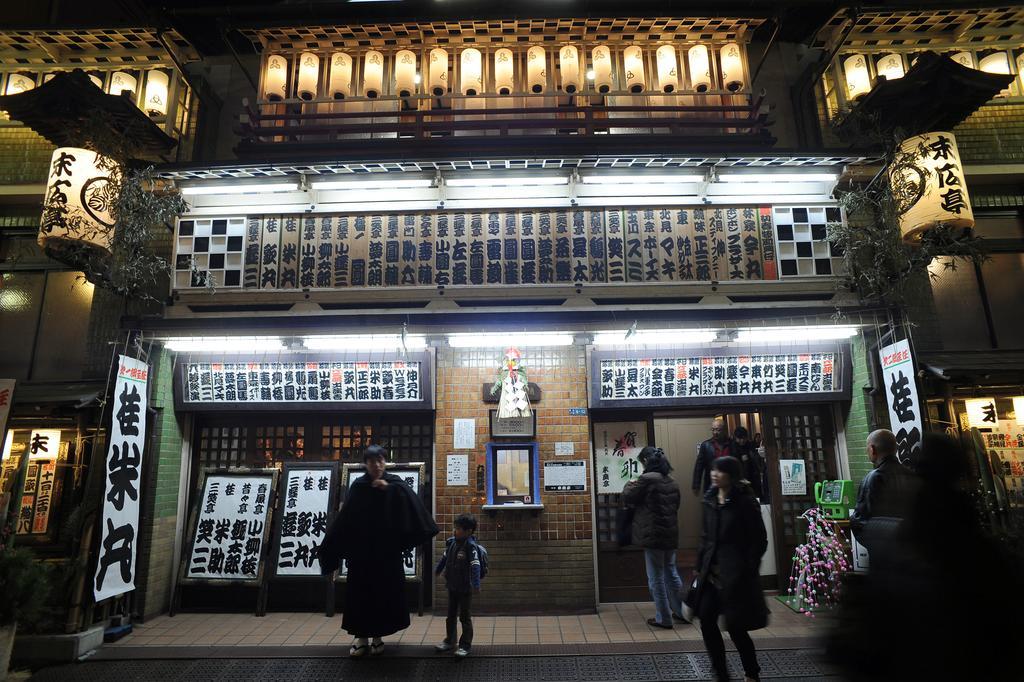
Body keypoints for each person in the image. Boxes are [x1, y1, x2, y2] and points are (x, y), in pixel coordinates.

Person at [319, 445, 439, 657]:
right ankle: (361, 637)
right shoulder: (359, 486)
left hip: (387, 554)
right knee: (360, 595)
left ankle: (377, 637)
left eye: (381, 460)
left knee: (384, 595)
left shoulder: (395, 483)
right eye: (372, 461)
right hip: (362, 554)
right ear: (366, 464)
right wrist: (332, 547)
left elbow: (413, 508)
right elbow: (345, 519)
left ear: (386, 462)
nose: (377, 465)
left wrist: (389, 490)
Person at [695, 456, 768, 682]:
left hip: (735, 575)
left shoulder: (744, 502)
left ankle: (751, 673)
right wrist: (700, 566)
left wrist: (747, 568)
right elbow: (706, 537)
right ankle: (721, 673)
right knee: (707, 621)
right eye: (714, 470)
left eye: (720, 471)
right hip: (712, 574)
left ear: (732, 474)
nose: (715, 474)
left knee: (736, 627)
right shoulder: (710, 500)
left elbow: (759, 540)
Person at [622, 446, 687, 629]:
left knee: (655, 577)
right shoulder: (672, 481)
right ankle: (682, 612)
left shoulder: (647, 479)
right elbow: (677, 505)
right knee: (671, 573)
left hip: (653, 535)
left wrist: (630, 482)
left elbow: (628, 496)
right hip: (670, 534)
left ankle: (664, 618)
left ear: (645, 462)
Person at [848, 429, 919, 556]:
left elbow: (861, 522)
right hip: (913, 551)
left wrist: (852, 520)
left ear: (872, 449)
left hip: (885, 555)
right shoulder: (913, 476)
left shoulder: (873, 478)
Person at [434, 513, 482, 658]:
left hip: (465, 588)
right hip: (452, 586)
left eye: (459, 529)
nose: (456, 531)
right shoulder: (452, 543)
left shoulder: (471, 546)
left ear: (468, 531)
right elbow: (444, 558)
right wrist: (437, 570)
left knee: (464, 617)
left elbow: (475, 566)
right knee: (450, 615)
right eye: (455, 528)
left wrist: (476, 584)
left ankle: (465, 645)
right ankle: (450, 641)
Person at [693, 418, 735, 495]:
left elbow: (738, 465)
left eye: (718, 430)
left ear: (725, 430)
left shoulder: (733, 445)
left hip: (730, 485)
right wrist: (696, 485)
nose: (715, 432)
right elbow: (699, 466)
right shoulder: (706, 445)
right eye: (713, 430)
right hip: (712, 485)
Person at [732, 426, 766, 500]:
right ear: (735, 438)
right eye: (740, 438)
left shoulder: (750, 445)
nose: (742, 440)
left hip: (752, 477)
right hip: (739, 478)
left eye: (744, 438)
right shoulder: (733, 447)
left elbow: (755, 459)